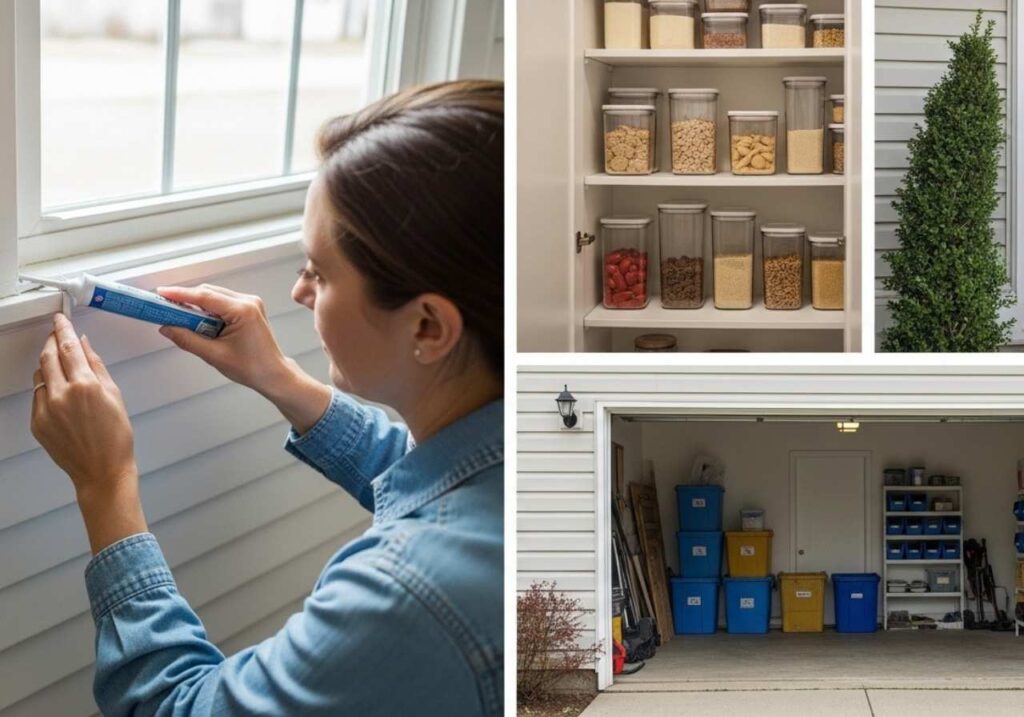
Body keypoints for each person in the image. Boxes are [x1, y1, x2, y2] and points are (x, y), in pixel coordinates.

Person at [28, 80, 503, 716]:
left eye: (321, 271)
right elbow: (440, 480)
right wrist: (279, 377)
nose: (300, 292)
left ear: (427, 327)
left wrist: (105, 482)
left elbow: (177, 707)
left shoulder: (408, 595)